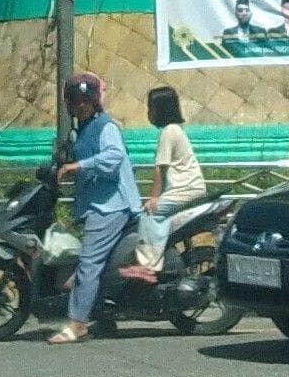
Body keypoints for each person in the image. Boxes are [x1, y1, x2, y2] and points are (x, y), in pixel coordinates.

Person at [47, 72, 139, 344]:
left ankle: (77, 324)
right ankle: (103, 315)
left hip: (111, 206)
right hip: (94, 204)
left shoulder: (106, 126)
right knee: (100, 265)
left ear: (95, 101)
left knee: (88, 263)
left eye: (85, 101)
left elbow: (113, 157)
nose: (80, 106)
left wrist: (79, 166)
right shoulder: (80, 131)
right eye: (75, 101)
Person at [125, 87, 208, 281]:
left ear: (161, 109)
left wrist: (154, 198)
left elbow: (160, 169)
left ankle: (147, 265)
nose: (149, 113)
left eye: (151, 108)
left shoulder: (168, 132)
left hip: (186, 189)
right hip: (189, 189)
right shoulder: (175, 130)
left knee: (149, 212)